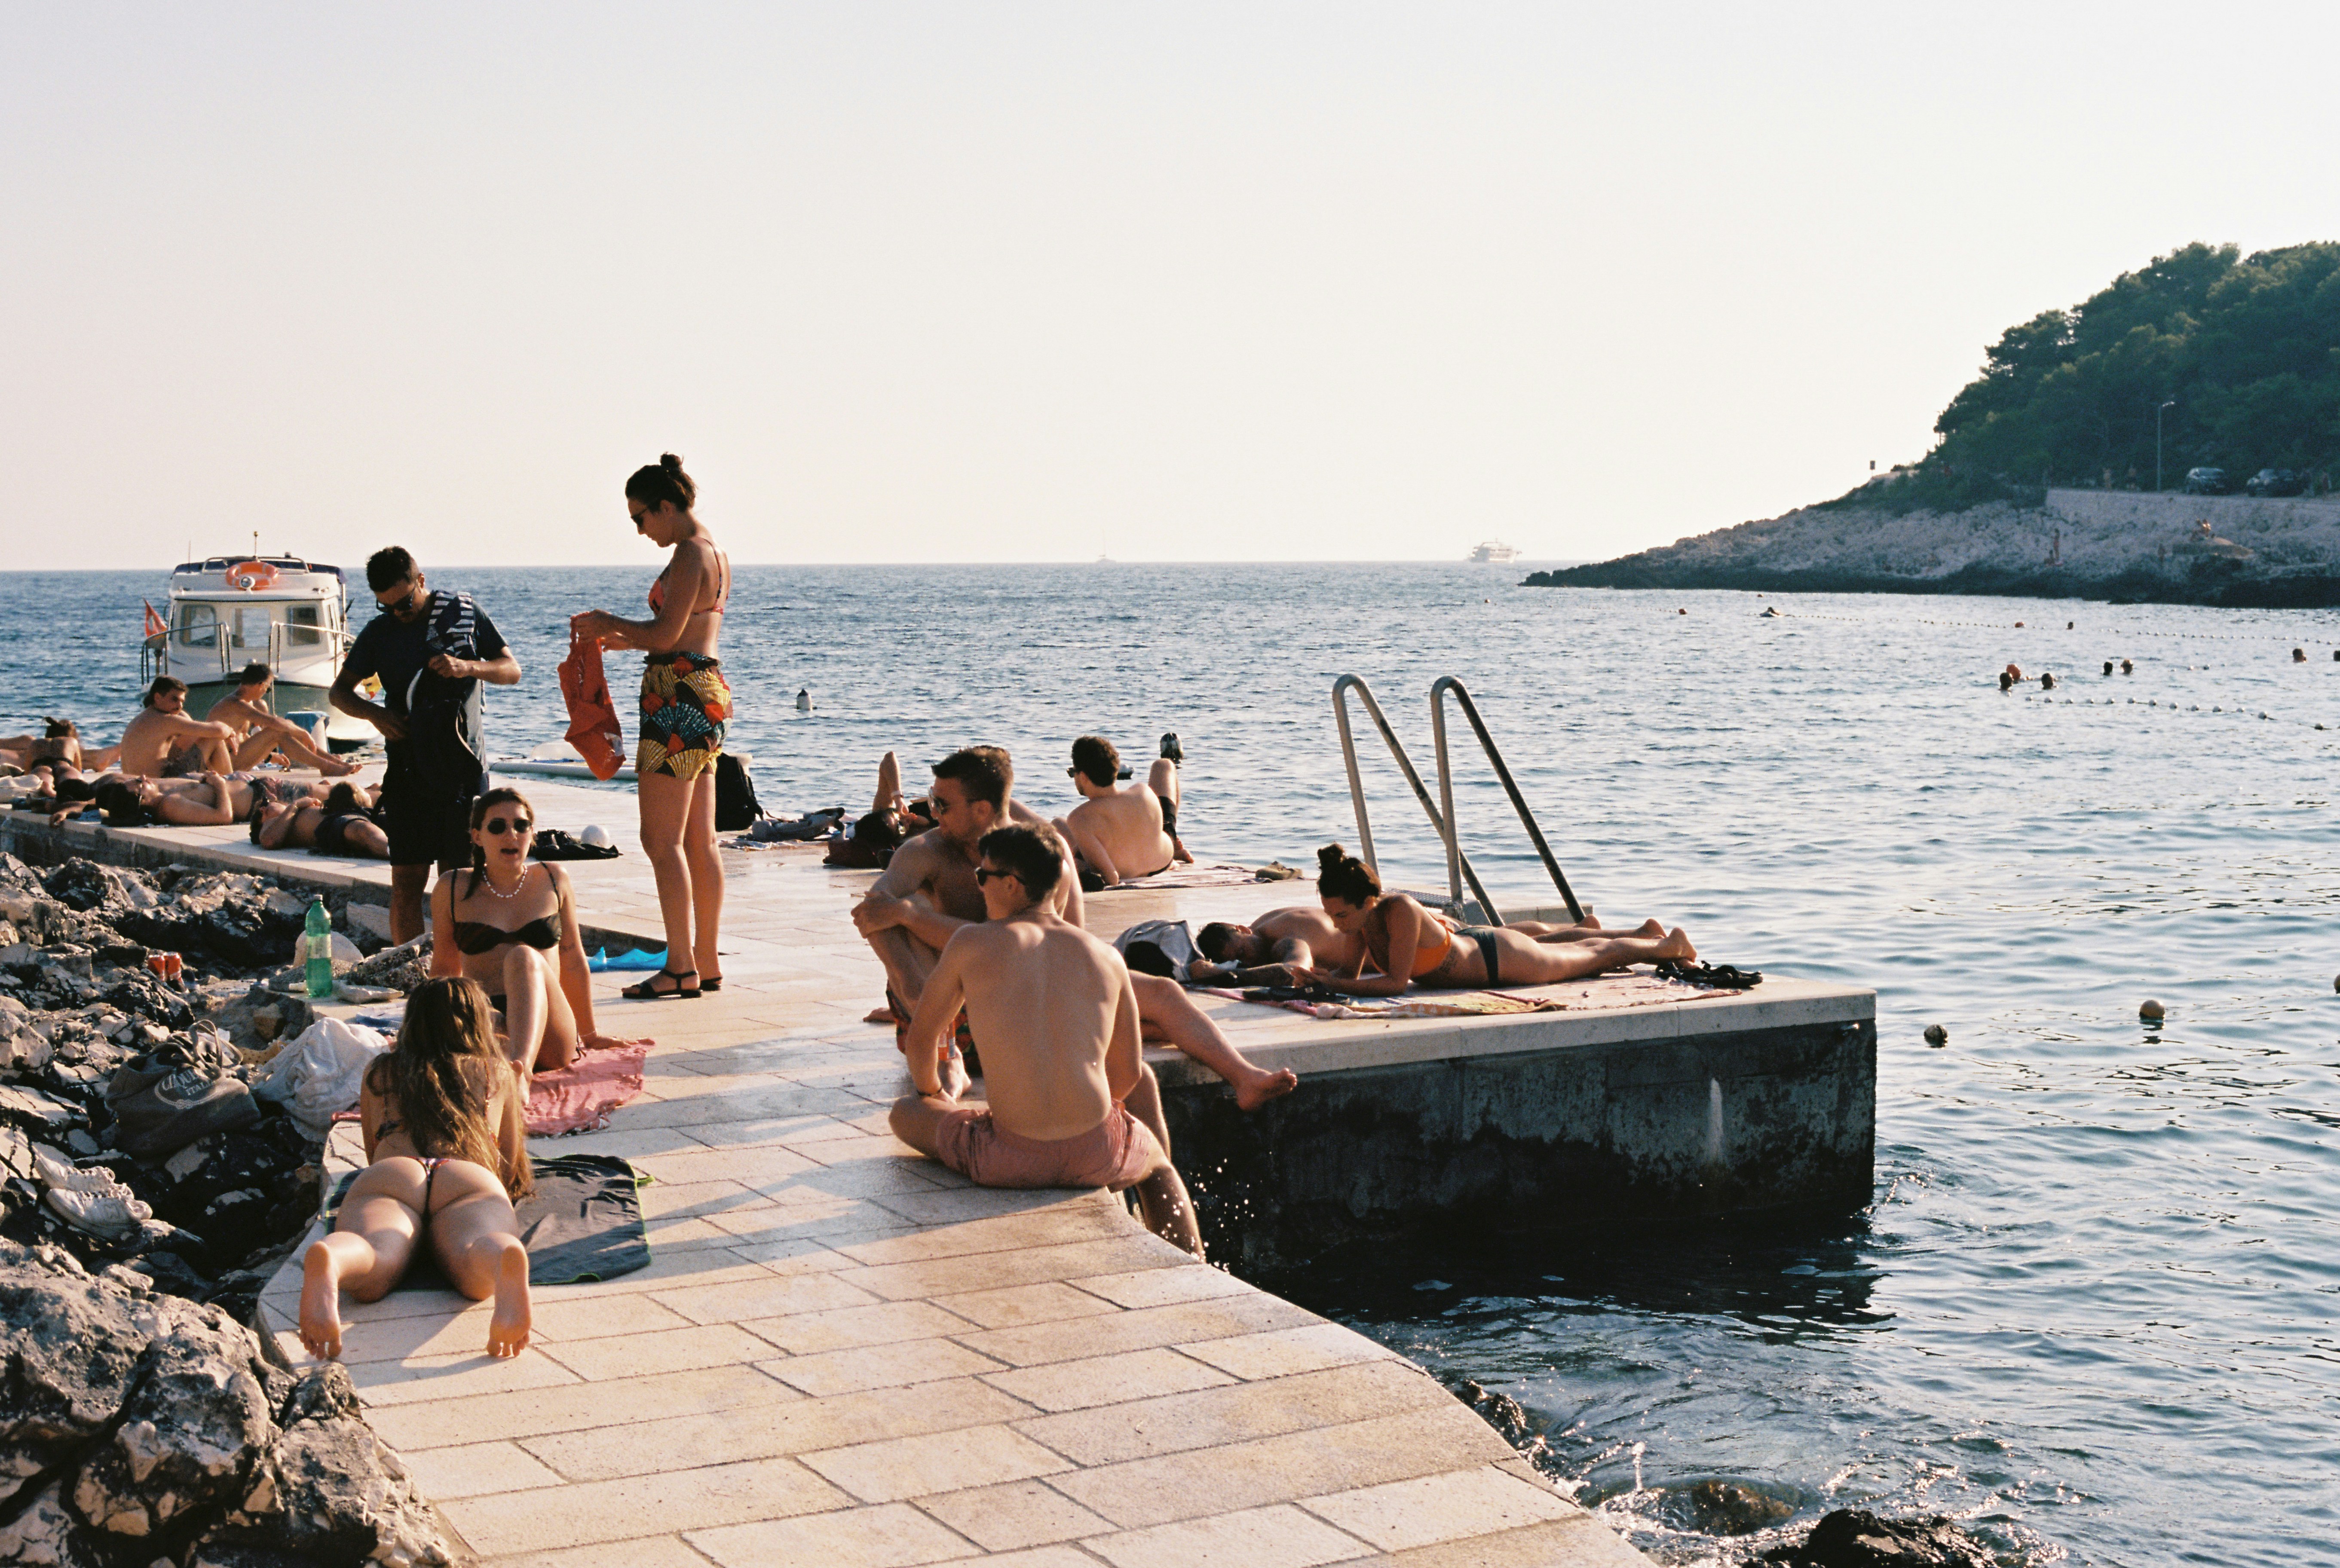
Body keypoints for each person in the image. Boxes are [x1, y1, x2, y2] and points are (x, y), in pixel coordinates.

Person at [855, 746, 1295, 1111]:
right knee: (898, 909)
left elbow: (1069, 944)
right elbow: (872, 912)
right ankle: (947, 1054)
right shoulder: (927, 851)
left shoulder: (1046, 852)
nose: (931, 814)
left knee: (1164, 994)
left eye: (940, 805)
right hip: (957, 1010)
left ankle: (1244, 1077)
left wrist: (914, 918)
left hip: (1030, 991)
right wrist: (915, 993)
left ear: (982, 809)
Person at [889, 823, 1203, 1257]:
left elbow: (924, 1039)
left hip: (1006, 1158)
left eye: (983, 877)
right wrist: (1086, 1118)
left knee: (904, 1114)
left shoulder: (970, 942)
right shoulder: (1106, 957)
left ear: (1012, 885)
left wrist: (931, 1094)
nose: (978, 887)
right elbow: (1128, 1073)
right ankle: (1190, 1261)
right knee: (1160, 1167)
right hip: (1098, 1150)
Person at [297, 977, 533, 1360]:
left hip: (395, 1172)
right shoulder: (496, 1071)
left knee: (374, 1262)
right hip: (467, 1174)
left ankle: (334, 1259)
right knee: (474, 1259)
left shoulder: (382, 1070)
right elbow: (507, 1163)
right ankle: (503, 1253)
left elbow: (374, 1152)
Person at [570, 455, 730, 1000]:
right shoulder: (713, 550)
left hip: (677, 694)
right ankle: (704, 961)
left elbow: (665, 636)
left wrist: (611, 623)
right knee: (699, 841)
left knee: (660, 840)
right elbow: (682, 630)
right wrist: (626, 639)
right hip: (704, 690)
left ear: (666, 506)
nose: (640, 529)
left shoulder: (689, 551)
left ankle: (680, 965)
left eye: (641, 517)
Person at [332, 548, 521, 945]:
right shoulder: (380, 632)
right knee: (406, 881)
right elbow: (340, 693)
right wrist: (375, 715)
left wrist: (468, 666)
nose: (399, 613)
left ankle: (461, 972)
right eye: (387, 607)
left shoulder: (463, 614)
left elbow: (511, 670)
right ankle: (411, 971)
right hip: (408, 768)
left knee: (460, 880)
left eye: (404, 604)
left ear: (421, 580)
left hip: (461, 770)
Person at [1290, 844, 1695, 996]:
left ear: (1369, 900)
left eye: (1341, 913)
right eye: (1330, 915)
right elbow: (1349, 972)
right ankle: (1642, 933)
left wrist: (1335, 983)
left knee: (1593, 957)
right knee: (1578, 946)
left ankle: (1669, 946)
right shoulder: (1359, 925)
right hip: (1477, 946)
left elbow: (1397, 982)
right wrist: (1318, 979)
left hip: (1499, 960)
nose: (1335, 923)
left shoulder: (1399, 910)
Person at [427, 787, 634, 1078]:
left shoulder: (552, 878)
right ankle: (510, 1062)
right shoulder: (452, 887)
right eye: (497, 827)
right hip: (491, 1022)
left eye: (521, 826)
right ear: (477, 836)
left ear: (532, 833)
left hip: (550, 1023)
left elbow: (573, 957)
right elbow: (445, 972)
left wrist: (589, 1034)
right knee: (482, 1017)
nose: (511, 834)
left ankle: (520, 1071)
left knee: (523, 957)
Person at [1057, 734, 1191, 888]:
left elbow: (1112, 878)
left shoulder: (1080, 818)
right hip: (1160, 861)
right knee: (1164, 765)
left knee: (1059, 825)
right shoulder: (1143, 792)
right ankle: (1173, 849)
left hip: (1124, 870)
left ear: (1084, 777)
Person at [206, 663, 358, 774]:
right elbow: (273, 722)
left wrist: (270, 756)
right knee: (277, 731)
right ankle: (326, 766)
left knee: (282, 730)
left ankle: (335, 763)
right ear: (261, 685)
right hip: (222, 765)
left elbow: (244, 739)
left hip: (234, 759)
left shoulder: (248, 703)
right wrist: (303, 734)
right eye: (268, 687)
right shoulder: (234, 704)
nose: (267, 691)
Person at [121, 678, 242, 778]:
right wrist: (230, 731)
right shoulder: (166, 720)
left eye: (182, 702)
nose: (180, 706)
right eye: (174, 700)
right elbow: (218, 731)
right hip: (161, 783)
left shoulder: (142, 719)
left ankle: (224, 781)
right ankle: (233, 787)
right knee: (215, 739)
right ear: (157, 697)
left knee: (205, 736)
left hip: (138, 783)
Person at [253, 781, 391, 859]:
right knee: (362, 830)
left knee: (393, 819)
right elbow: (269, 841)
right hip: (334, 824)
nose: (267, 806)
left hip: (351, 814)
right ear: (263, 814)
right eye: (266, 804)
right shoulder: (271, 823)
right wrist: (294, 806)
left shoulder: (288, 817)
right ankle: (396, 852)